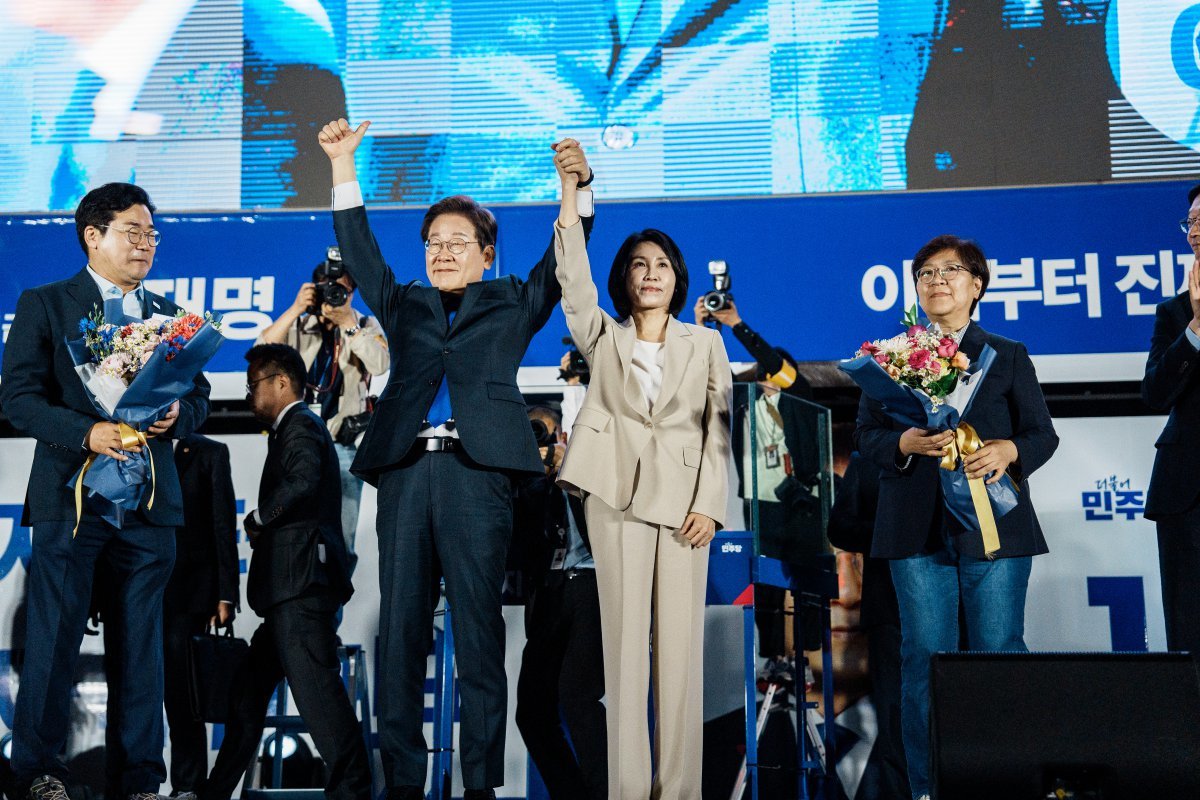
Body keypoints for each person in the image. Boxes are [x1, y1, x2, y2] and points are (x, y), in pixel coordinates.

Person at [316, 117, 594, 800]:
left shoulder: (513, 301)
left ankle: (479, 787)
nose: (442, 252)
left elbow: (566, 256)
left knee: (478, 636)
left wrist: (575, 187)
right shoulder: (404, 301)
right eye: (433, 243)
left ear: (486, 254)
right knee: (400, 634)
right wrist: (343, 165)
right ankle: (404, 784)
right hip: (407, 474)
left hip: (479, 478)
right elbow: (361, 249)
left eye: (457, 242)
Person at [0, 182, 211, 800]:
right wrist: (86, 431)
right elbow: (18, 399)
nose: (145, 244)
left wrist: (180, 414)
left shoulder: (172, 315)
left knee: (142, 647)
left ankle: (141, 780)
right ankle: (39, 773)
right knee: (53, 641)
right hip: (72, 500)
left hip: (149, 503)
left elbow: (197, 396)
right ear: (93, 236)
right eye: (132, 232)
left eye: (152, 234)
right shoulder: (46, 304)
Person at [853, 234, 1058, 800]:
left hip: (993, 526)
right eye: (925, 272)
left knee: (998, 652)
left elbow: (1042, 434)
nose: (936, 280)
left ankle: (1006, 785)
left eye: (950, 270)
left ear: (977, 285)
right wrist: (903, 443)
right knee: (923, 659)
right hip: (915, 531)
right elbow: (866, 436)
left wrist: (1009, 450)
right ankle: (927, 789)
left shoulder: (1006, 354)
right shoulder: (889, 357)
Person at [554, 200, 732, 796]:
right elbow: (573, 284)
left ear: (678, 278)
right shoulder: (604, 336)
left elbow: (719, 429)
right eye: (638, 264)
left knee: (679, 659)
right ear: (624, 278)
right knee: (625, 659)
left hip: (686, 511)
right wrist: (571, 197)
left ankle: (679, 791)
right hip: (615, 501)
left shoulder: (705, 343)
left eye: (661, 265)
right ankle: (628, 790)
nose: (651, 273)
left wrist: (709, 503)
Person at [200, 344, 369, 800]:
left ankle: (354, 792)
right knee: (246, 698)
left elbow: (303, 481)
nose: (249, 395)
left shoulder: (302, 426)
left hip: (301, 590)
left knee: (320, 701)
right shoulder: (291, 430)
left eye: (253, 385)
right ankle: (213, 793)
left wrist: (259, 518)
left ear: (281, 383)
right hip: (285, 595)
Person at [695, 297, 820, 656]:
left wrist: (737, 324)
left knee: (808, 585)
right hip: (760, 505)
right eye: (763, 374)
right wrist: (703, 330)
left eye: (774, 372)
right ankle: (773, 659)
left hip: (800, 503)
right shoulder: (745, 401)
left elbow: (773, 363)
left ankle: (809, 658)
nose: (768, 378)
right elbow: (713, 373)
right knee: (765, 587)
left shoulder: (798, 396)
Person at [256, 253, 389, 573]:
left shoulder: (364, 325)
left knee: (341, 539)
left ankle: (334, 604)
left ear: (352, 293)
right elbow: (261, 352)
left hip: (343, 445)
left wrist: (348, 325)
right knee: (292, 533)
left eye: (342, 290)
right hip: (298, 444)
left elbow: (380, 364)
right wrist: (296, 308)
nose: (335, 296)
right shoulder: (299, 325)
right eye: (327, 289)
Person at [513, 406, 606, 800]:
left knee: (580, 699)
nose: (544, 444)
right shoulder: (523, 483)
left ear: (563, 436)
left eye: (548, 434)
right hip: (549, 595)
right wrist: (535, 478)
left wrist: (569, 471)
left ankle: (602, 793)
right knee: (531, 711)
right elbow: (520, 543)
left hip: (590, 587)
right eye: (535, 436)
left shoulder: (587, 469)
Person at [162, 433, 240, 797]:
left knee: (184, 694)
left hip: (189, 594)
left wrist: (226, 594)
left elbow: (223, 524)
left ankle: (188, 785)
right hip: (140, 590)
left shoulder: (209, 453)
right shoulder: (132, 445)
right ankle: (130, 784)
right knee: (136, 691)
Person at [1143, 183, 1200, 655]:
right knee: (1189, 627)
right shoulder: (1174, 313)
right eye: (1191, 223)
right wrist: (1196, 326)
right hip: (1187, 493)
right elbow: (1155, 394)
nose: (1195, 232)